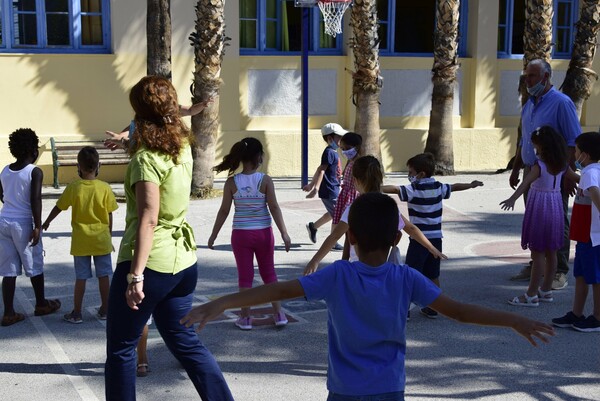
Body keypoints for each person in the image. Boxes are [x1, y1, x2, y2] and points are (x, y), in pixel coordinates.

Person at [181, 192, 555, 401]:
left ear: (351, 237)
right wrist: (513, 319)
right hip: (388, 389)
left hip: (344, 392)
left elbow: (280, 288)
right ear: (397, 239)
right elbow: (458, 311)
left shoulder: (338, 275)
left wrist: (222, 302)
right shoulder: (407, 278)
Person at [104, 76, 233, 401]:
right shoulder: (181, 149)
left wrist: (135, 277)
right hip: (184, 262)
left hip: (153, 263)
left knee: (121, 348)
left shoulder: (146, 159)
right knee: (183, 340)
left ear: (140, 114)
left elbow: (148, 219)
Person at [304, 155, 446, 276]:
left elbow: (334, 236)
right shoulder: (389, 205)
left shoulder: (355, 207)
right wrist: (430, 247)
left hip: (359, 268)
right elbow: (411, 229)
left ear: (356, 180)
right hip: (381, 268)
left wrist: (315, 260)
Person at [509, 59, 581, 289]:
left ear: (546, 77)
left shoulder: (562, 103)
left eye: (531, 76)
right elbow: (525, 139)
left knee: (557, 221)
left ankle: (559, 269)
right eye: (526, 75)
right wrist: (516, 167)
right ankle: (536, 264)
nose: (526, 80)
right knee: (536, 221)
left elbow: (572, 141)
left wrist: (569, 173)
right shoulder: (530, 103)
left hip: (555, 172)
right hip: (532, 171)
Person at [382, 152, 483, 319]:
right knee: (433, 274)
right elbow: (455, 186)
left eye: (411, 173)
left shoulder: (413, 189)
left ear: (421, 174)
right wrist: (471, 185)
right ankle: (434, 307)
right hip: (436, 238)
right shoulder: (439, 187)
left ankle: (404, 309)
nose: (409, 176)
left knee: (410, 273)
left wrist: (373, 188)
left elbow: (393, 189)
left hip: (419, 239)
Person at [209, 137, 291, 330]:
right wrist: (284, 233)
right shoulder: (265, 180)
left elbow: (224, 211)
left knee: (244, 276)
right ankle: (279, 314)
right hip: (263, 233)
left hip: (241, 235)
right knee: (269, 273)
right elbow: (274, 207)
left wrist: (213, 235)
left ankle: (245, 318)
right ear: (259, 157)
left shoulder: (232, 182)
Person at [42, 147, 118, 324]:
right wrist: (109, 234)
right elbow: (109, 214)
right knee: (104, 276)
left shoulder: (74, 187)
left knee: (81, 277)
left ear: (79, 166)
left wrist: (47, 222)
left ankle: (76, 313)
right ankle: (105, 309)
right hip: (101, 240)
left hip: (81, 240)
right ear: (98, 165)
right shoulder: (105, 188)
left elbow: (59, 207)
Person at [501, 126, 569, 307]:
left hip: (540, 207)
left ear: (542, 146)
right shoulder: (562, 164)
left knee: (538, 252)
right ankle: (545, 290)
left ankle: (531, 294)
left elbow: (526, 183)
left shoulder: (540, 166)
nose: (534, 148)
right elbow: (577, 178)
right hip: (555, 206)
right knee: (552, 251)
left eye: (535, 145)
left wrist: (512, 198)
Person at [0, 128, 61, 327]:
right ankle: (41, 304)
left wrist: (10, 204)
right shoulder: (34, 172)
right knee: (34, 264)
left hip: (4, 222)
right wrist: (37, 225)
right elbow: (35, 199)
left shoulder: (6, 170)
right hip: (23, 223)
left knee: (8, 269)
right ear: (32, 151)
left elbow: (1, 193)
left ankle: (9, 313)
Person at [552, 132, 600, 332]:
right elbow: (586, 183)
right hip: (584, 235)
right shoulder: (592, 170)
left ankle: (597, 317)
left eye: (577, 151)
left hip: (592, 236)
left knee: (595, 278)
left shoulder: (590, 173)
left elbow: (595, 192)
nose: (575, 154)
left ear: (585, 155)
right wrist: (568, 172)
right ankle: (576, 313)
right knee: (580, 275)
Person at [304, 123, 346, 250]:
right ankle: (333, 242)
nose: (341, 141)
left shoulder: (333, 152)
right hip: (329, 190)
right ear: (330, 139)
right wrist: (315, 188)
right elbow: (322, 170)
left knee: (333, 213)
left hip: (334, 188)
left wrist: (311, 184)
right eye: (339, 138)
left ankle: (313, 227)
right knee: (337, 217)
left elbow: (319, 168)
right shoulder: (329, 152)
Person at [330, 132, 362, 251]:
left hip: (353, 197)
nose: (344, 152)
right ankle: (346, 255)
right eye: (342, 149)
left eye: (347, 149)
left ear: (356, 147)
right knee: (346, 228)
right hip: (346, 195)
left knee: (351, 227)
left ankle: (352, 252)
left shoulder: (359, 163)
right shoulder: (351, 161)